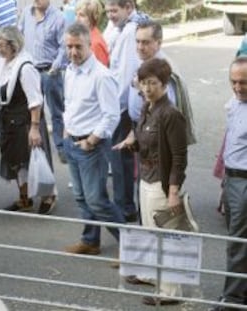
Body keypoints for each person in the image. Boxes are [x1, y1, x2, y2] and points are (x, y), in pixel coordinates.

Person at [114, 58, 187, 306]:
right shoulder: (147, 108)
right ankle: (153, 276)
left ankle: (171, 291)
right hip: (145, 179)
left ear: (164, 83)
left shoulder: (171, 114)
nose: (147, 88)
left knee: (164, 235)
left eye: (152, 83)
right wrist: (130, 143)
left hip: (161, 183)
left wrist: (174, 191)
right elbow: (146, 142)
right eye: (143, 83)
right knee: (149, 231)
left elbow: (179, 157)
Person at [62, 22, 125, 255]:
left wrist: (91, 140)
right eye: (69, 46)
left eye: (78, 46)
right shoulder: (70, 70)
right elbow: (70, 103)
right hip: (73, 142)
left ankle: (131, 247)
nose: (73, 52)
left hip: (91, 147)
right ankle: (90, 241)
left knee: (97, 201)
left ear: (89, 44)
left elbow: (111, 116)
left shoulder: (101, 76)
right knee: (81, 197)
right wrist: (66, 130)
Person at [0, 26, 56, 214]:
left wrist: (34, 128)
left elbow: (35, 101)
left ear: (14, 46)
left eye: (3, 45)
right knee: (17, 162)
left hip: (26, 122)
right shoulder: (4, 63)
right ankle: (24, 198)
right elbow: (3, 88)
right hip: (10, 120)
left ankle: (48, 195)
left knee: (34, 160)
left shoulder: (26, 68)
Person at [209, 56, 247, 311]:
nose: (237, 87)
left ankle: (231, 301)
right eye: (233, 82)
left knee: (238, 242)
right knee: (236, 240)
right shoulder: (234, 103)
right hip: (231, 178)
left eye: (243, 83)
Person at [107, 0, 149, 223]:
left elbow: (125, 73)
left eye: (114, 10)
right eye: (108, 11)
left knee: (121, 158)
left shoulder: (131, 30)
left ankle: (125, 207)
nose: (110, 15)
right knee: (124, 158)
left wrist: (115, 107)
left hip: (122, 105)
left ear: (128, 8)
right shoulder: (124, 27)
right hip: (124, 103)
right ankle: (128, 205)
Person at [19, 0, 67, 164]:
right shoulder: (26, 13)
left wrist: (56, 65)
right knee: (33, 110)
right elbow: (19, 37)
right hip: (30, 71)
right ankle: (37, 146)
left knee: (56, 111)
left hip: (49, 71)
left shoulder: (59, 17)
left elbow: (63, 46)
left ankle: (61, 147)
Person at [75, 0, 109, 66]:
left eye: (82, 15)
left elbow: (101, 72)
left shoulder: (95, 43)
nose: (77, 18)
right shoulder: (86, 36)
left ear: (92, 18)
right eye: (76, 14)